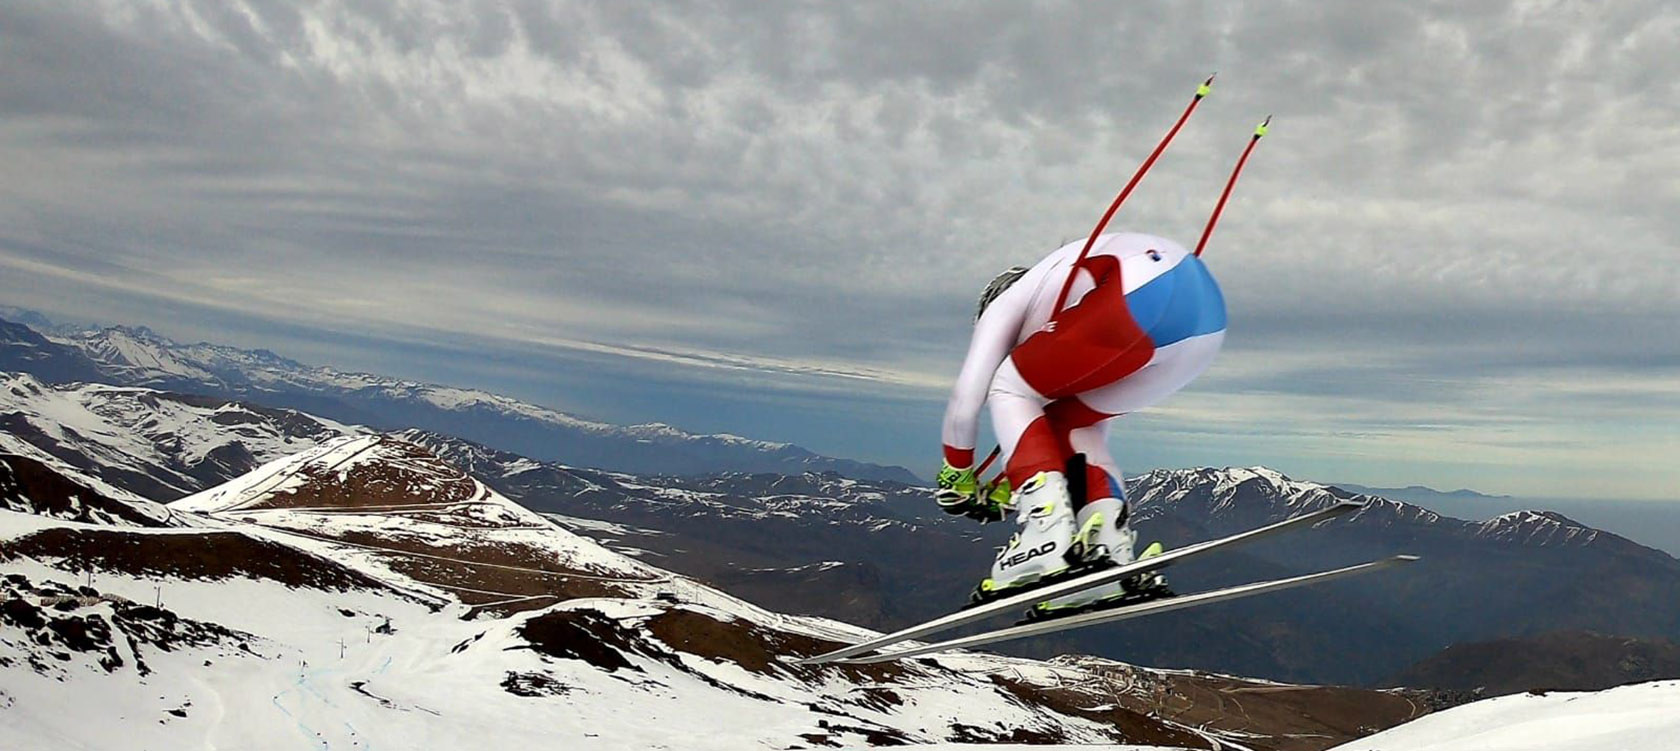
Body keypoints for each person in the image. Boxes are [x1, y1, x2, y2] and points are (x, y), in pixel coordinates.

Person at [935, 231, 1226, 615]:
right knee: (1074, 423)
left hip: (1140, 288)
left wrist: (957, 474)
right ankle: (1108, 547)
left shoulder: (1006, 302)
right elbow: (1074, 440)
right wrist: (1010, 484)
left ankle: (1046, 539)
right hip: (1205, 325)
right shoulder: (1068, 288)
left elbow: (966, 397)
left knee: (1008, 386)